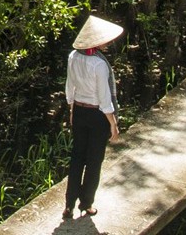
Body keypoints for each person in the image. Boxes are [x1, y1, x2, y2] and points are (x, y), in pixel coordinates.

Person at [63, 15, 123, 220]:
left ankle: (69, 205)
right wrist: (113, 124)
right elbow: (105, 99)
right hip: (97, 115)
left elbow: (70, 87)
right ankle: (86, 204)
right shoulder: (99, 65)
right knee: (94, 160)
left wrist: (72, 111)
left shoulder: (73, 56)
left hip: (79, 111)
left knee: (77, 157)